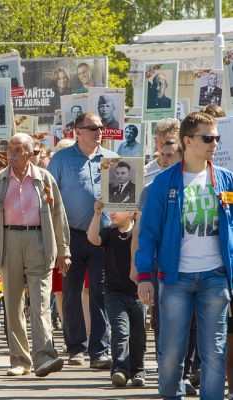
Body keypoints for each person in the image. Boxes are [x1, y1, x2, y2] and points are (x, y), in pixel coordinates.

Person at [136, 112, 232, 399]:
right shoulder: (163, 184)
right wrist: (144, 276)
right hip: (175, 279)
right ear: (187, 141)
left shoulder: (226, 180)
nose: (214, 143)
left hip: (215, 278)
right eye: (207, 138)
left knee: (214, 352)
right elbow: (148, 234)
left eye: (216, 137)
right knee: (171, 355)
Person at [0, 133, 70, 377]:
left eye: (18, 149)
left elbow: (58, 214)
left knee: (40, 302)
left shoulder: (44, 180)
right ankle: (20, 360)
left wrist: (64, 250)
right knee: (13, 303)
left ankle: (44, 357)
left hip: (39, 240)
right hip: (8, 240)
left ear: (31, 152)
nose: (12, 153)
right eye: (10, 148)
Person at [47, 112, 117, 369]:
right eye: (92, 127)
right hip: (71, 236)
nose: (99, 131)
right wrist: (55, 240)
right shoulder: (61, 160)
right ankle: (76, 347)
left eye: (101, 127)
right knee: (71, 293)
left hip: (103, 237)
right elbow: (48, 200)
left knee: (100, 293)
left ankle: (100, 350)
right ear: (77, 131)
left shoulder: (112, 160)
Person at [88, 200, 146, 387]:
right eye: (111, 209)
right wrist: (97, 214)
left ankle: (138, 370)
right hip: (114, 294)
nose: (112, 213)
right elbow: (92, 238)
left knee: (138, 334)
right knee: (121, 331)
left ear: (131, 213)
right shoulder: (109, 233)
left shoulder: (139, 233)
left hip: (137, 294)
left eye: (118, 210)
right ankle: (120, 369)